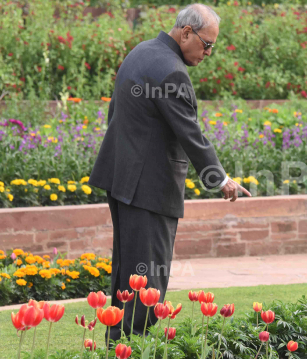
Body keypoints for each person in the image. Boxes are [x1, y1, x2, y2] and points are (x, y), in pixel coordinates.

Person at [88, 3, 251, 341]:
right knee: (147, 284)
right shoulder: (171, 71)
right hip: (149, 190)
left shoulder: (141, 52)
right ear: (186, 32)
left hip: (122, 182)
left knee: (125, 278)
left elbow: (115, 111)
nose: (209, 53)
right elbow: (190, 134)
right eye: (207, 44)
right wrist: (220, 180)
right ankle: (134, 347)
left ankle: (115, 346)